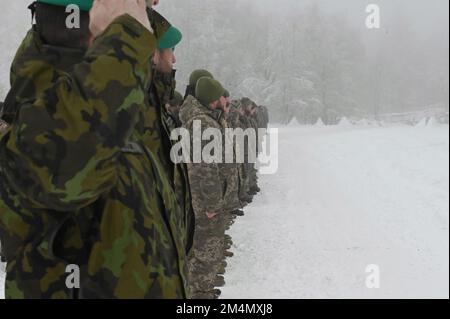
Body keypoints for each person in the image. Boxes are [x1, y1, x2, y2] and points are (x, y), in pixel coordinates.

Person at [0, 0, 188, 299]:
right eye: (136, 5)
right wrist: (125, 41)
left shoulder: (117, 114)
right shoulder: (44, 106)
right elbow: (66, 169)